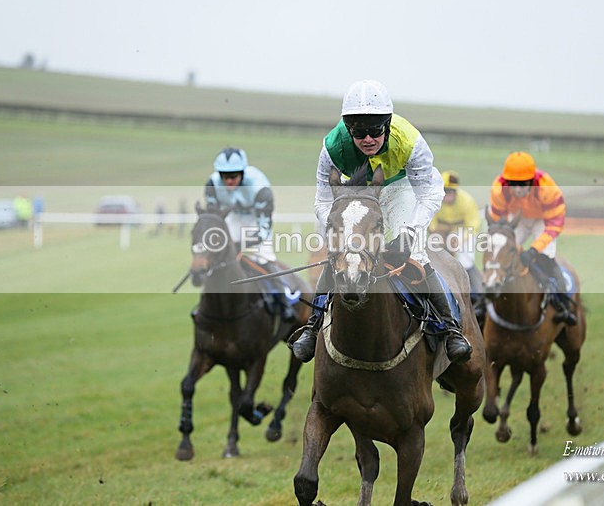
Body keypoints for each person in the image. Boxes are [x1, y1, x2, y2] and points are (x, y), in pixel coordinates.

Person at [291, 79, 472, 364]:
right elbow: (323, 202)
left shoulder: (410, 141)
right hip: (359, 189)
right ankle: (313, 326)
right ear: (348, 130)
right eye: (358, 133)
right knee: (339, 256)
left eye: (375, 131)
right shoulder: (332, 147)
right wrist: (338, 233)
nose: (367, 140)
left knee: (417, 253)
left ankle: (450, 328)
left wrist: (410, 233)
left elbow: (429, 193)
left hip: (404, 189)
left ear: (387, 125)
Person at [204, 147, 296, 320]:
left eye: (234, 176)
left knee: (262, 258)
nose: (229, 181)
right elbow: (213, 219)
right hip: (231, 218)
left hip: (256, 220)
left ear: (243, 172)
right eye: (225, 176)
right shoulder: (212, 185)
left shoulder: (260, 187)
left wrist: (242, 245)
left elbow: (263, 228)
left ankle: (284, 300)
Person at [487, 151, 577, 325]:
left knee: (546, 259)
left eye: (523, 185)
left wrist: (534, 250)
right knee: (500, 253)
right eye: (514, 185)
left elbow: (554, 225)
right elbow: (499, 224)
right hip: (517, 218)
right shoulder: (499, 189)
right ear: (506, 182)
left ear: (532, 180)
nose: (518, 190)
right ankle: (485, 302)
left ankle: (563, 305)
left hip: (543, 220)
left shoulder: (547, 188)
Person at [428, 170, 484, 309]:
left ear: (456, 191)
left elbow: (473, 226)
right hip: (442, 231)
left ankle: (475, 293)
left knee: (465, 257)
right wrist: (437, 232)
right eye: (445, 191)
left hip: (463, 231)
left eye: (451, 191)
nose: (447, 195)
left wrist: (460, 240)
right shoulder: (436, 198)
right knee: (431, 253)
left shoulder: (466, 201)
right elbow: (431, 222)